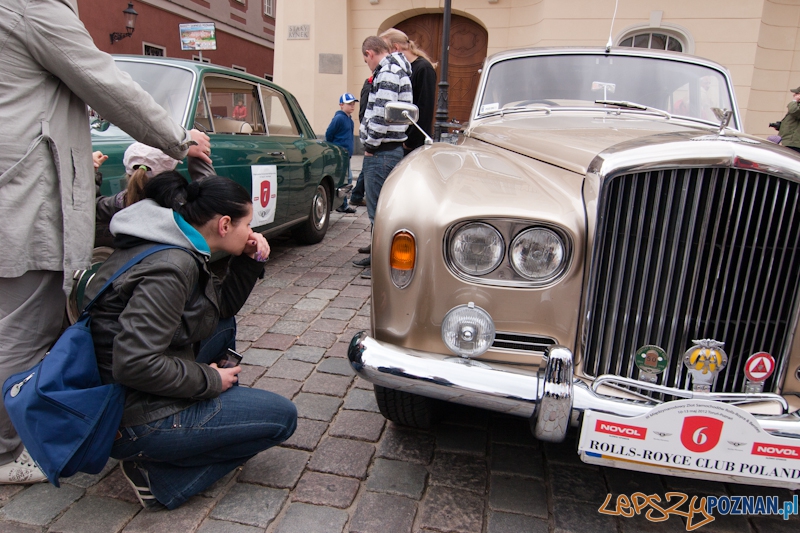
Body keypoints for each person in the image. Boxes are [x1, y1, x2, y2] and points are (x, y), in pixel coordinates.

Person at [0, 0, 211, 484]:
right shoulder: (32, 6)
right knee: (22, 329)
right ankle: (10, 448)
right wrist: (179, 140)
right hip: (24, 197)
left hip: (13, 188)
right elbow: (104, 80)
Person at [85, 171, 297, 511]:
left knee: (222, 325)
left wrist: (249, 260)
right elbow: (134, 364)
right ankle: (160, 479)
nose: (252, 233)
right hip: (130, 416)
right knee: (281, 418)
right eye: (247, 225)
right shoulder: (172, 266)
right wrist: (211, 379)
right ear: (225, 224)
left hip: (119, 388)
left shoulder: (167, 238)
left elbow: (219, 310)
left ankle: (202, 418)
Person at [353, 36, 413, 279]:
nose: (367, 64)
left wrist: (370, 144)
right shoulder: (399, 69)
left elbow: (381, 113)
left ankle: (380, 267)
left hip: (381, 151)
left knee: (379, 213)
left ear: (369, 53)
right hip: (391, 148)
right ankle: (379, 259)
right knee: (385, 211)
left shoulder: (387, 72)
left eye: (365, 59)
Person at [380, 28, 437, 154]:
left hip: (412, 144)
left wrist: (410, 142)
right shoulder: (401, 68)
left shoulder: (423, 69)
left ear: (395, 48)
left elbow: (424, 108)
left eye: (385, 50)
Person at [326, 93, 358, 214]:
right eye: (349, 104)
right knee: (344, 179)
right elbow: (329, 134)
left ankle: (342, 203)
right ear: (341, 105)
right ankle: (342, 204)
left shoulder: (349, 119)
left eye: (353, 104)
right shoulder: (339, 118)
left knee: (346, 179)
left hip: (346, 155)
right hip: (340, 154)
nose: (352, 106)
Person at [349, 76, 373, 210]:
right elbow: (364, 110)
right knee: (367, 166)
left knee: (366, 167)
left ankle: (357, 195)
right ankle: (356, 195)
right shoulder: (370, 83)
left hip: (369, 131)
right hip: (370, 133)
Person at [779, 86, 800, 154]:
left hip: (794, 143)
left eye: (797, 93)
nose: (794, 95)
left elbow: (794, 111)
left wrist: (794, 101)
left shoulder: (795, 106)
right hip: (790, 141)